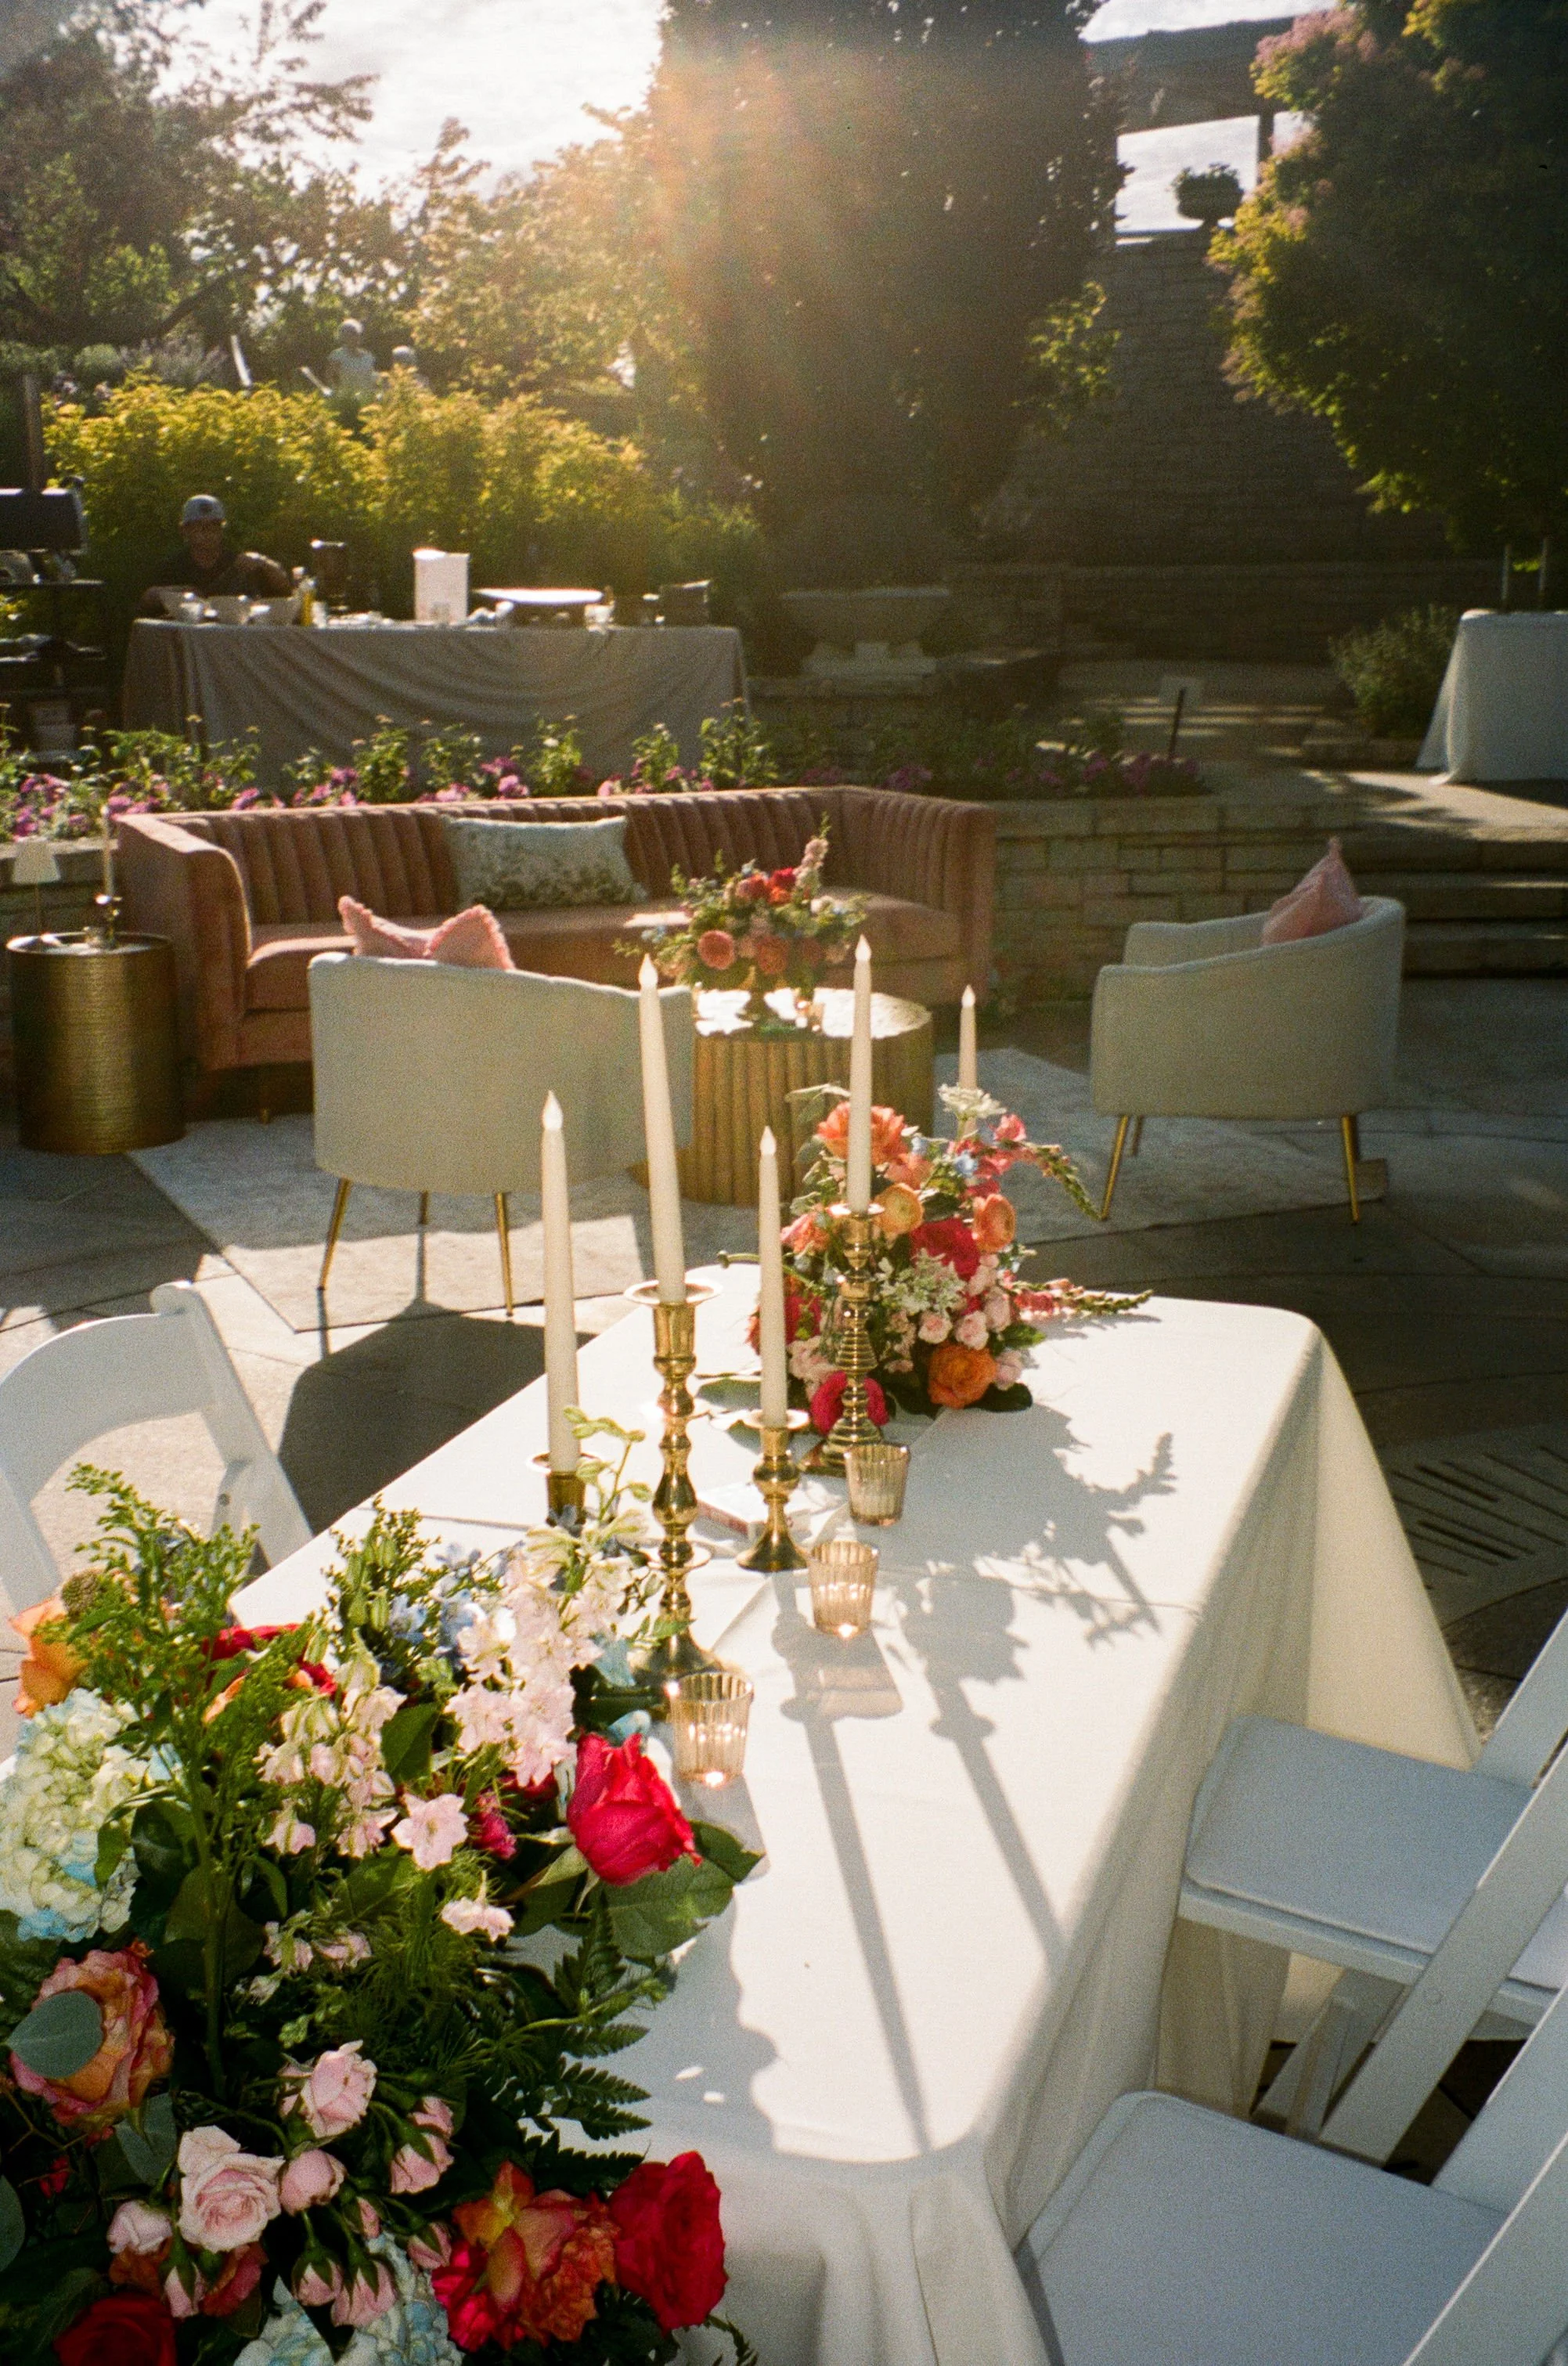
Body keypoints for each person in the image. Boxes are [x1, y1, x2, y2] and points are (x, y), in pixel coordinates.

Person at [140, 496, 291, 614]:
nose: (208, 533)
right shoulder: (173, 566)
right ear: (185, 530)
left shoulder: (237, 563)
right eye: (200, 527)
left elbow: (284, 589)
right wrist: (183, 592)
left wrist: (262, 562)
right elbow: (147, 599)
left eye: (214, 526)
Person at [326, 319, 378, 397]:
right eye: (349, 335)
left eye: (355, 334)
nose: (353, 337)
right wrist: (336, 392)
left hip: (366, 398)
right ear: (343, 337)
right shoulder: (338, 355)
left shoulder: (368, 356)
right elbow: (329, 376)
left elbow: (374, 378)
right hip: (346, 398)